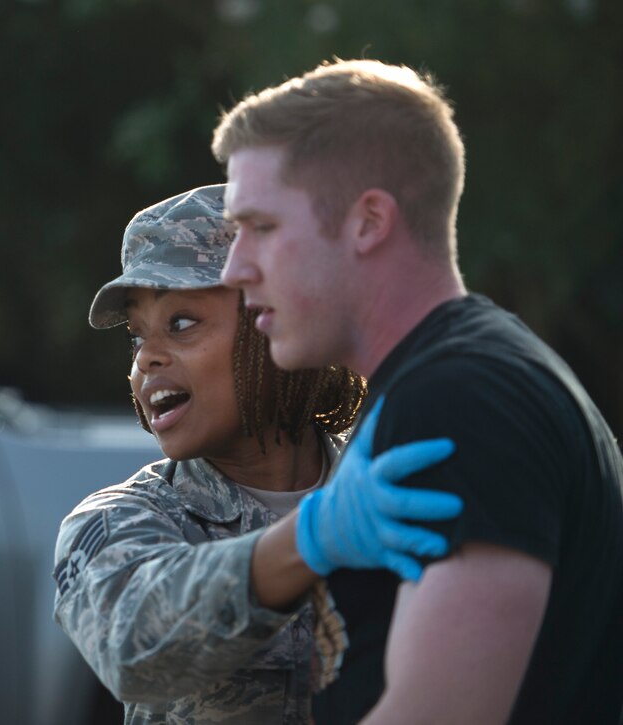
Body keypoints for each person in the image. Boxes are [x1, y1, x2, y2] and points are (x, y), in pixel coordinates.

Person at [213, 59, 623, 723]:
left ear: (369, 221)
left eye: (260, 226)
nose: (235, 268)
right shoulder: (456, 378)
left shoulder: (463, 399)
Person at [53, 184, 462, 725]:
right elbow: (135, 651)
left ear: (278, 319)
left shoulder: (391, 484)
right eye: (135, 338)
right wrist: (313, 537)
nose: (147, 359)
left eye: (181, 323)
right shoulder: (117, 520)